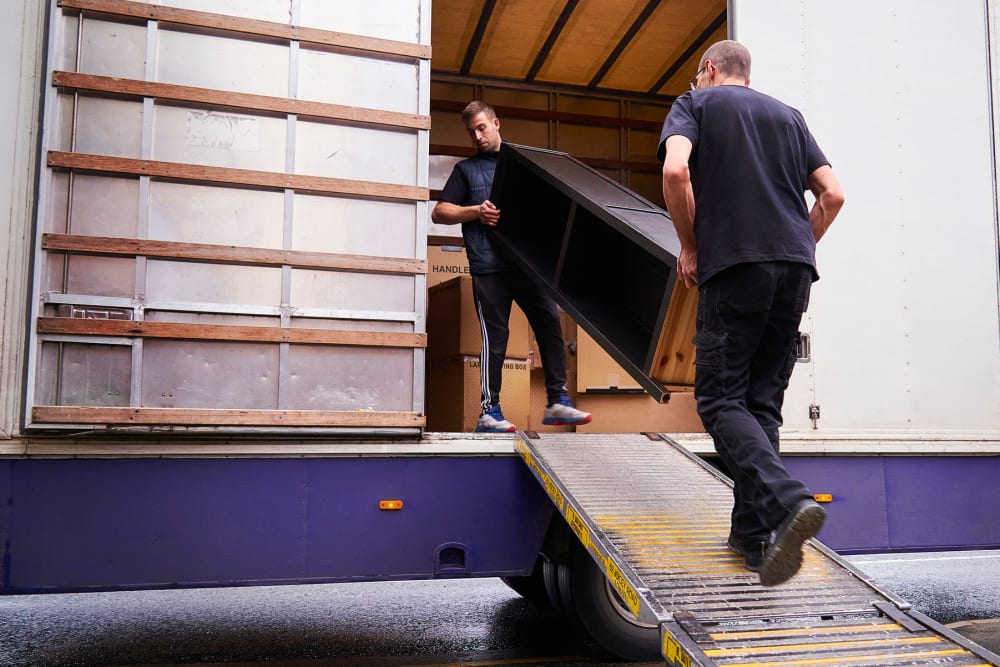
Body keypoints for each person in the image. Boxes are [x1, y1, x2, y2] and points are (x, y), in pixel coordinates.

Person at [658, 40, 845, 586]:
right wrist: (798, 246)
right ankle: (753, 537)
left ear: (710, 70)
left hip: (736, 266)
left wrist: (691, 246)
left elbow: (675, 173)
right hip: (795, 270)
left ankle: (787, 504)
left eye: (698, 75)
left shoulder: (695, 104)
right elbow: (832, 194)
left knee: (719, 399)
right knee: (760, 405)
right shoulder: (789, 117)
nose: (696, 82)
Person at [432, 101, 592, 433]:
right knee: (496, 337)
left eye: (482, 128)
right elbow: (440, 212)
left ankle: (557, 402)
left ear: (496, 123)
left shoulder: (522, 165)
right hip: (488, 267)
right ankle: (489, 412)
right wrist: (475, 211)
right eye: (471, 131)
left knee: (549, 323)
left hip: (527, 266)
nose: (477, 136)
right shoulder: (466, 171)